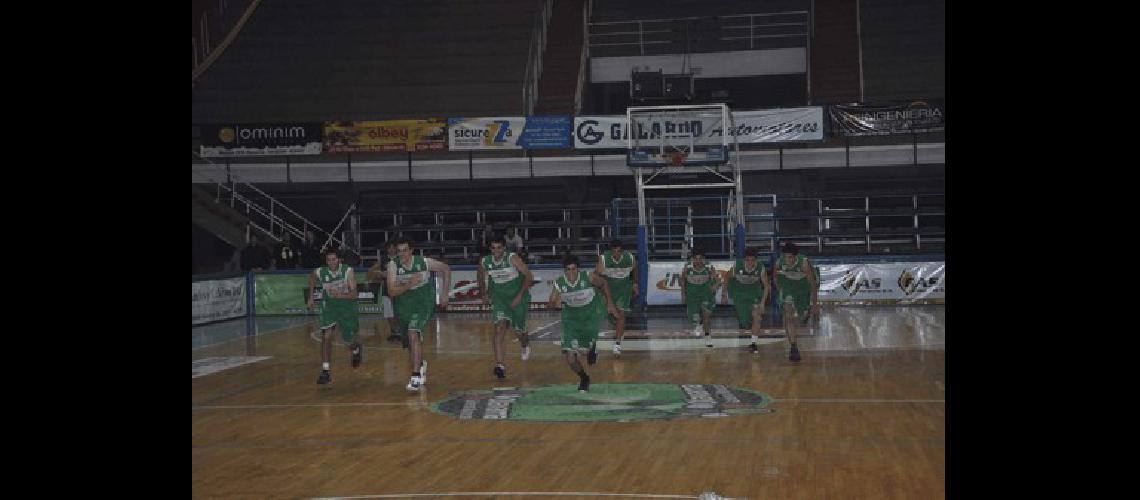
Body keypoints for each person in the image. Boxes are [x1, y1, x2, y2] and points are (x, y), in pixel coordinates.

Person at [387, 237, 452, 392]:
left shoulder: (423, 262)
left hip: (423, 300)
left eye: (405, 250)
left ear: (411, 251)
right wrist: (410, 283)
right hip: (403, 303)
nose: (402, 254)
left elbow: (445, 269)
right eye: (399, 251)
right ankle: (420, 364)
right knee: (409, 340)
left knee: (413, 331)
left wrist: (444, 294)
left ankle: (415, 376)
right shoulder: (393, 265)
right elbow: (391, 292)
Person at [547, 255, 619, 392]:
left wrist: (609, 303)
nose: (571, 273)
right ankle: (584, 378)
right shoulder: (559, 283)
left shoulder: (588, 277)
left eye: (574, 269)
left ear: (578, 270)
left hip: (589, 317)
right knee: (570, 357)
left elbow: (603, 283)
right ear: (564, 271)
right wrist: (555, 302)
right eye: (568, 270)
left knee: (585, 351)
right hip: (571, 320)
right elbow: (550, 304)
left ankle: (591, 348)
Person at [478, 236, 535, 379]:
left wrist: (519, 296)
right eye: (493, 248)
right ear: (490, 249)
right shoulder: (485, 261)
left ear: (504, 249)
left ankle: (525, 345)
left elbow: (529, 276)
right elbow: (479, 276)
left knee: (519, 331)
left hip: (518, 297)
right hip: (499, 299)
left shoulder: (512, 259)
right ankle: (500, 365)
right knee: (499, 328)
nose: (496, 251)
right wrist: (483, 293)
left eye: (499, 248)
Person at [307, 247, 362, 385]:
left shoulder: (348, 271)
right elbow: (312, 278)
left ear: (339, 260)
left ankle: (356, 349)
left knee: (348, 342)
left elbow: (355, 294)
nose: (331, 262)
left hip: (346, 308)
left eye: (334, 259)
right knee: (326, 336)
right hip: (329, 307)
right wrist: (311, 297)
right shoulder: (321, 271)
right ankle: (325, 371)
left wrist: (341, 295)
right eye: (329, 260)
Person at [773, 242, 818, 362]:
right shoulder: (779, 262)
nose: (788, 260)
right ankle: (793, 347)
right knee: (788, 316)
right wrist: (780, 290)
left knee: (801, 314)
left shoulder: (804, 263)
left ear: (795, 257)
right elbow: (775, 277)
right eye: (786, 257)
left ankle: (806, 311)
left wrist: (814, 304)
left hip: (803, 288)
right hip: (788, 286)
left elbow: (813, 285)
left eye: (790, 257)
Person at [721, 247, 771, 354]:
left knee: (757, 317)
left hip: (753, 293)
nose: (749, 263)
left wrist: (762, 303)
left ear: (756, 260)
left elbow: (766, 286)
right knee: (745, 324)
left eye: (752, 260)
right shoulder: (737, 266)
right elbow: (726, 278)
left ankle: (754, 344)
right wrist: (724, 294)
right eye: (747, 260)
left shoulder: (760, 268)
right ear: (744, 260)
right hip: (739, 293)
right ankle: (749, 326)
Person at [595, 239, 636, 356]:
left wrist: (635, 283)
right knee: (598, 317)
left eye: (619, 251)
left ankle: (617, 344)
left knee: (621, 316)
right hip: (607, 289)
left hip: (623, 290)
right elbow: (596, 278)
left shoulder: (630, 258)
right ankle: (592, 343)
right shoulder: (603, 259)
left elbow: (635, 270)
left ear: (622, 252)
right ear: (610, 251)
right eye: (614, 251)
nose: (616, 254)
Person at [680, 247, 721, 348]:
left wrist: (715, 286)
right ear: (692, 259)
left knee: (706, 317)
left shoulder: (709, 267)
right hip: (692, 295)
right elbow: (682, 281)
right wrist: (683, 294)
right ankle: (697, 324)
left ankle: (708, 338)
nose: (698, 261)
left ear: (704, 259)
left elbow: (718, 280)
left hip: (706, 294)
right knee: (695, 317)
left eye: (700, 258)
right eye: (696, 258)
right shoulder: (687, 267)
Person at [366, 241, 404, 345]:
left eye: (393, 247)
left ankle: (402, 331)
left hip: (399, 289)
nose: (391, 249)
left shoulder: (401, 258)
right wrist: (375, 274)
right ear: (387, 249)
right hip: (386, 289)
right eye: (389, 248)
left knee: (399, 312)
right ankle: (394, 331)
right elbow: (371, 272)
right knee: (388, 312)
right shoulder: (383, 260)